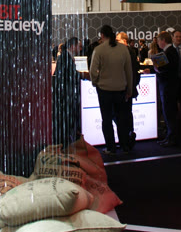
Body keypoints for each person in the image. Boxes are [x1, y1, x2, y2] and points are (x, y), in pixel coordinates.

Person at [88, 25, 133, 154]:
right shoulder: (123, 49)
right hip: (121, 89)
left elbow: (93, 71)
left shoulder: (99, 50)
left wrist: (95, 82)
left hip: (104, 89)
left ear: (102, 35)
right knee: (121, 118)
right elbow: (128, 71)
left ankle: (111, 148)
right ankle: (124, 145)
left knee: (106, 119)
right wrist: (129, 89)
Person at [52, 37, 82, 146]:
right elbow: (69, 75)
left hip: (65, 94)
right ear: (72, 46)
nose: (80, 49)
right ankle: (65, 143)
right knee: (66, 119)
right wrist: (82, 75)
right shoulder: (65, 57)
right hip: (65, 95)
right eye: (79, 46)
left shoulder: (66, 57)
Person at [155, 30, 181, 147]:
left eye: (158, 41)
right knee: (169, 112)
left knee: (169, 113)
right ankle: (170, 137)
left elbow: (165, 70)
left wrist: (156, 69)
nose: (157, 43)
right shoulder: (171, 51)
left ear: (163, 40)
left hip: (168, 87)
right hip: (169, 86)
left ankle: (172, 138)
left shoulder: (169, 52)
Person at [116, 31, 141, 149]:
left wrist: (128, 89)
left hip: (125, 89)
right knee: (126, 114)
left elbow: (130, 72)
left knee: (122, 115)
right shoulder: (130, 51)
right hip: (127, 88)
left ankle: (126, 141)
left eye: (118, 40)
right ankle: (127, 139)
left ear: (124, 41)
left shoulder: (126, 52)